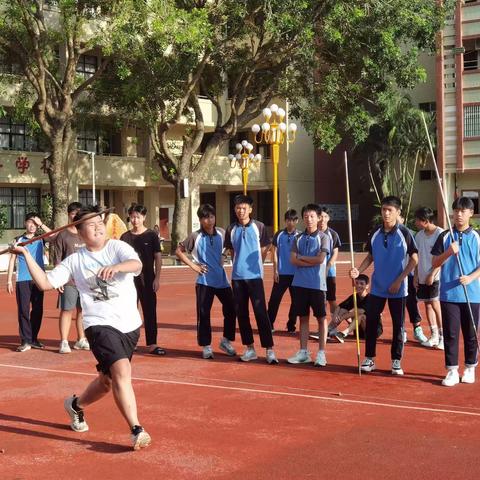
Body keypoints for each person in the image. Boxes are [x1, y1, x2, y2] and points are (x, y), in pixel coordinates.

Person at [9, 206, 151, 449]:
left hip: (129, 325)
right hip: (99, 324)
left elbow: (135, 264)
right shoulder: (74, 260)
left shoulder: (117, 247)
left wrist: (117, 267)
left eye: (99, 222)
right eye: (90, 224)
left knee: (108, 381)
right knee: (122, 371)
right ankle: (136, 429)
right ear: (78, 230)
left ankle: (76, 405)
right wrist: (25, 254)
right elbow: (45, 283)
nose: (97, 227)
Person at [350, 196, 418, 375]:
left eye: (390, 210)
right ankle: (369, 358)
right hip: (378, 287)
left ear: (398, 212)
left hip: (398, 288)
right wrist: (358, 270)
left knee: (398, 326)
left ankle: (396, 361)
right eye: (384, 210)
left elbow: (414, 259)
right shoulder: (375, 233)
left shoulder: (405, 233)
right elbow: (370, 256)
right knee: (371, 322)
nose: (386, 213)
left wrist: (399, 280)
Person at [176, 204, 237, 359]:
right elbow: (178, 251)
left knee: (231, 309)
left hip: (222, 280)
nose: (209, 220)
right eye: (205, 218)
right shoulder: (195, 236)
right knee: (204, 314)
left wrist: (223, 258)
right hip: (204, 281)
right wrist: (194, 266)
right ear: (200, 220)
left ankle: (226, 340)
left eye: (211, 217)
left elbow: (230, 248)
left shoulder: (223, 233)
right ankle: (206, 346)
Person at [431, 197, 480, 387]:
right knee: (451, 333)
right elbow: (435, 263)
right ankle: (451, 370)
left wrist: (471, 278)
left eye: (463, 211)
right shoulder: (444, 236)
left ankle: (470, 367)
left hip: (472, 293)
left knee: (471, 332)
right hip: (449, 294)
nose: (459, 214)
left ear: (470, 213)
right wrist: (449, 252)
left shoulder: (476, 237)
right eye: (456, 210)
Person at [224, 194, 278, 364]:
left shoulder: (259, 227)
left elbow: (265, 248)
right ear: (235, 209)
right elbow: (232, 252)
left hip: (255, 277)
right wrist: (238, 266)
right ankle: (250, 348)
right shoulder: (230, 229)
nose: (241, 210)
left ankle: (269, 349)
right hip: (238, 277)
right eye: (238, 208)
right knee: (242, 314)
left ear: (250, 209)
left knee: (261, 312)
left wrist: (257, 265)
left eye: (244, 207)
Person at [287, 204, 330, 366]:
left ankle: (321, 353)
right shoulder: (298, 238)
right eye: (306, 216)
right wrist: (309, 260)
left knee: (321, 318)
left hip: (317, 285)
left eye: (312, 216)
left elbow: (321, 260)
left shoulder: (324, 237)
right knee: (303, 318)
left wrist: (302, 259)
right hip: (299, 284)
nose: (309, 219)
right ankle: (303, 352)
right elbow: (292, 259)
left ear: (319, 218)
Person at [120, 204, 165, 356]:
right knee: (129, 311)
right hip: (128, 280)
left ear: (144, 217)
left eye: (138, 217)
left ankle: (152, 343)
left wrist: (157, 278)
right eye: (132, 217)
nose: (135, 220)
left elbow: (158, 257)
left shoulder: (151, 235)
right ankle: (131, 343)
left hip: (147, 278)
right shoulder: (125, 237)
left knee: (150, 311)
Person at [7, 213, 51, 352]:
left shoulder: (41, 239)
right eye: (30, 222)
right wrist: (9, 280)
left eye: (35, 223)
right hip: (23, 279)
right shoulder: (18, 240)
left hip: (39, 279)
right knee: (23, 311)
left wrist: (42, 224)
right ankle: (25, 340)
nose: (32, 226)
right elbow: (12, 260)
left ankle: (33, 338)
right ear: (25, 223)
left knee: (38, 310)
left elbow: (55, 235)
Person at [53, 202, 90, 354]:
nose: (76, 216)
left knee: (82, 311)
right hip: (68, 280)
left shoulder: (85, 234)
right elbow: (57, 259)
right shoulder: (63, 235)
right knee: (67, 310)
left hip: (85, 280)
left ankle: (81, 339)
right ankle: (64, 341)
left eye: (78, 213)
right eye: (73, 213)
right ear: (69, 215)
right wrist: (58, 279)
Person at [413, 207, 444, 349]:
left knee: (436, 304)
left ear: (425, 221)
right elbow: (416, 257)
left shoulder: (441, 234)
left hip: (436, 276)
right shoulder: (419, 236)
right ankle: (434, 335)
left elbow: (443, 258)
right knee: (427, 304)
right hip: (422, 276)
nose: (415, 222)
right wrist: (416, 276)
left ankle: (443, 337)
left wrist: (432, 274)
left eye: (417, 220)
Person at [267, 209, 300, 333]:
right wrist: (275, 271)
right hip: (281, 274)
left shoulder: (300, 235)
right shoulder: (279, 234)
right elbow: (274, 253)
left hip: (296, 275)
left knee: (296, 302)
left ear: (296, 221)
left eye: (293, 220)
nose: (290, 222)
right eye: (288, 220)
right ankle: (269, 324)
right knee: (274, 300)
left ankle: (291, 325)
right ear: (285, 221)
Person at [328, 274, 383, 342]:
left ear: (367, 286)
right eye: (356, 283)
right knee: (343, 310)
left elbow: (360, 311)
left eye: (361, 284)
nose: (358, 285)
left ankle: (343, 334)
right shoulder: (354, 297)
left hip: (372, 331)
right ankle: (328, 330)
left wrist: (342, 318)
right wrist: (335, 315)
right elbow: (340, 307)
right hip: (359, 331)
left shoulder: (371, 298)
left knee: (361, 316)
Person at [399, 214, 428, 344]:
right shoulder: (386, 234)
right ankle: (401, 330)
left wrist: (416, 274)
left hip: (409, 275)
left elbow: (417, 256)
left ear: (402, 218)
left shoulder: (412, 234)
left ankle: (417, 329)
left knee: (411, 302)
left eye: (398, 217)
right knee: (398, 304)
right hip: (394, 275)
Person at [318, 207, 341, 327]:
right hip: (315, 273)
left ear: (329, 218)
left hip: (329, 273)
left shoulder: (333, 234)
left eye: (325, 216)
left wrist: (327, 268)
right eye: (320, 216)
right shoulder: (313, 233)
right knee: (320, 301)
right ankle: (323, 328)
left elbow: (335, 253)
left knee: (331, 300)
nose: (322, 219)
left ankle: (338, 322)